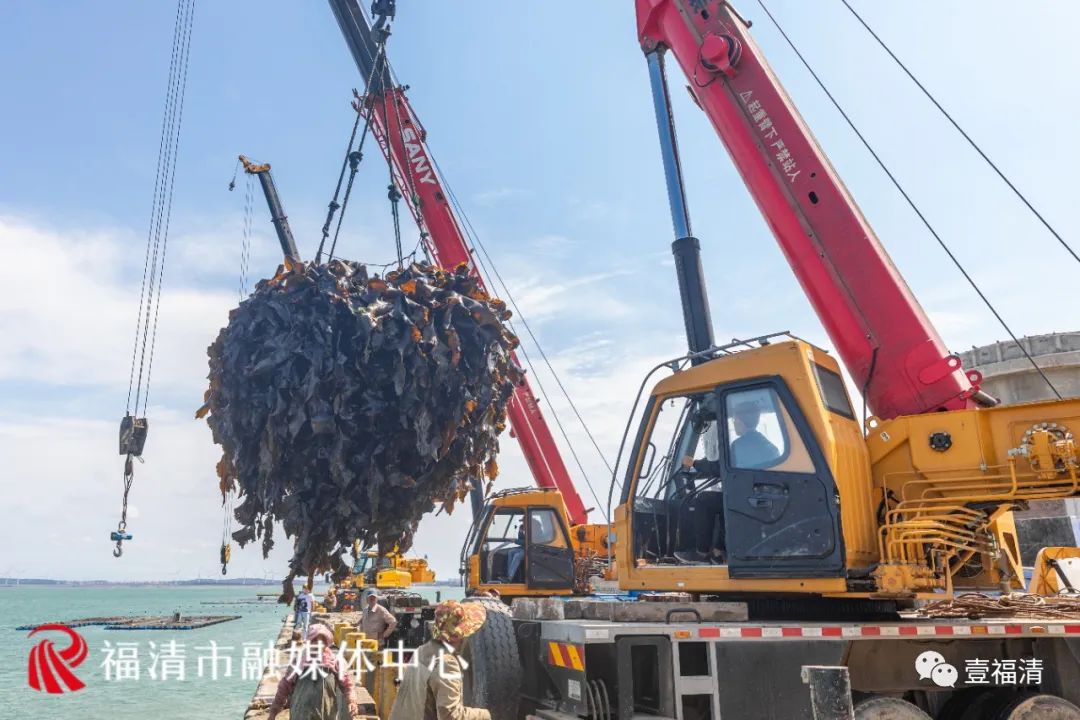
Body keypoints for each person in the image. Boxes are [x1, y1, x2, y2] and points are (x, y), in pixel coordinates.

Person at [389, 600, 490, 720]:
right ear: (457, 635)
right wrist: (486, 715)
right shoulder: (446, 663)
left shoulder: (421, 651)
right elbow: (450, 716)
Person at [268, 624, 357, 720]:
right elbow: (284, 687)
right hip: (300, 714)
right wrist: (274, 711)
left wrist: (351, 701)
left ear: (326, 642)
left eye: (322, 641)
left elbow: (347, 686)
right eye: (314, 640)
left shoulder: (334, 662)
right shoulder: (298, 662)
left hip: (327, 715)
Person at [729, 401, 780, 469]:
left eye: (734, 419)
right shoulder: (771, 447)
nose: (734, 423)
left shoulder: (737, 446)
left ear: (739, 421)